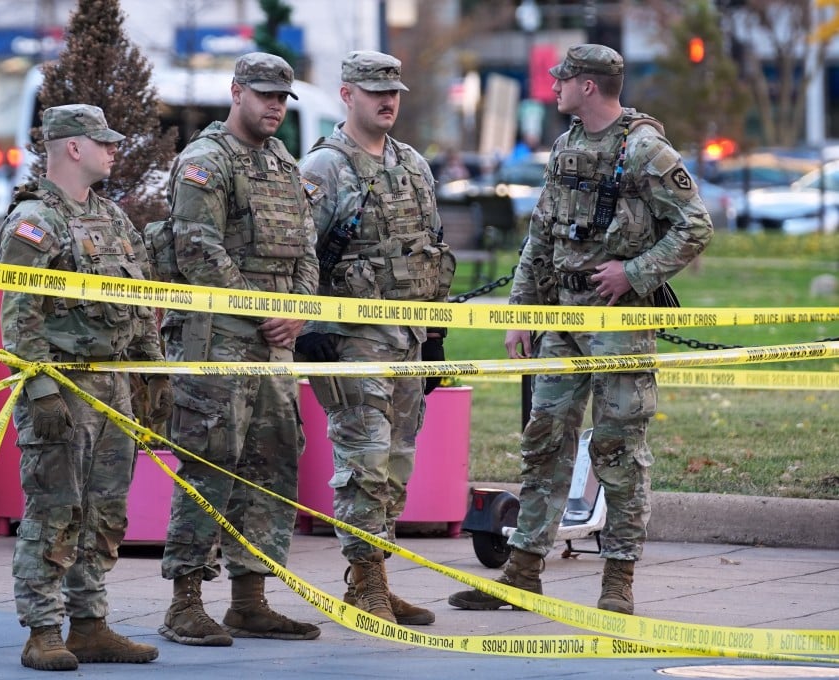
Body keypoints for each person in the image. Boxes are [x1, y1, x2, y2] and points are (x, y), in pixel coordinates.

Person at [448, 44, 713, 615]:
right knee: (543, 441)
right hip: (562, 318)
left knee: (618, 448)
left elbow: (694, 226)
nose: (553, 85)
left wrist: (633, 272)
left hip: (617, 321)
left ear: (587, 85)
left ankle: (616, 582)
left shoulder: (645, 149)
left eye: (561, 78)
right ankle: (522, 573)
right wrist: (523, 311)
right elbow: (542, 234)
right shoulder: (567, 146)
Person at [143, 52, 321, 647]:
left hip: (274, 348)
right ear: (236, 92)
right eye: (264, 95)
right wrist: (262, 310)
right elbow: (198, 251)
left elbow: (306, 249)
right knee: (210, 464)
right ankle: (185, 601)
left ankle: (250, 598)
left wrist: (296, 311)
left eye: (281, 98)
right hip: (218, 341)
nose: (274, 106)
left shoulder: (281, 162)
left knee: (271, 464)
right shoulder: (205, 161)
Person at [0, 104, 170, 671]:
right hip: (63, 386)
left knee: (105, 511)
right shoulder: (35, 220)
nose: (113, 150)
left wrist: (152, 371)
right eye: (105, 141)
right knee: (55, 509)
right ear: (73, 147)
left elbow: (143, 302)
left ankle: (90, 623)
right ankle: (43, 630)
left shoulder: (113, 219)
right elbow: (19, 316)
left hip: (114, 385)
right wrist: (40, 391)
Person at [296, 50, 455, 626]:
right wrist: (311, 328)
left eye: (394, 92)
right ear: (347, 96)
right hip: (352, 341)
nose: (387, 101)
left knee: (396, 464)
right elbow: (298, 256)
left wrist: (435, 336)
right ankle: (367, 584)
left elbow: (430, 253)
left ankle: (375, 577)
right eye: (374, 92)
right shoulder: (323, 168)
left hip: (407, 339)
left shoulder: (413, 164)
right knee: (363, 462)